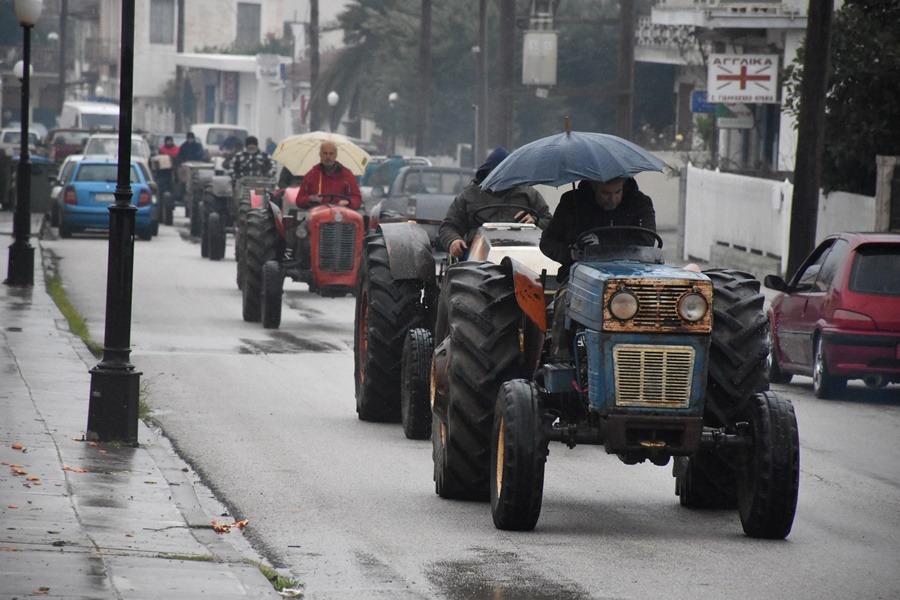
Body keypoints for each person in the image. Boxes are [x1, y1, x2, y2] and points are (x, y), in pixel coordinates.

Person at [540, 176, 657, 360]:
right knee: (565, 302)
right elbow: (547, 242)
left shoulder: (640, 203)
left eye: (617, 192)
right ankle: (562, 359)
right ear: (594, 186)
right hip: (579, 275)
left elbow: (647, 242)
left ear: (624, 186)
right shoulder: (572, 203)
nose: (612, 199)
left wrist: (604, 243)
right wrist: (570, 253)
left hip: (632, 274)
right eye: (606, 193)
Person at [439, 146, 551, 258]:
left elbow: (549, 222)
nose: (501, 176)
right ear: (487, 172)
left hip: (523, 255)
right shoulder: (468, 196)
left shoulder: (529, 194)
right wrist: (453, 240)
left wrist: (535, 221)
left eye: (506, 171)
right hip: (478, 257)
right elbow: (449, 226)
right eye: (496, 171)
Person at [295, 141, 362, 209]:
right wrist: (310, 199)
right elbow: (299, 200)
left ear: (336, 155)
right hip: (317, 214)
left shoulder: (347, 175)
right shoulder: (311, 175)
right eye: (325, 153)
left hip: (341, 215)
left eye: (331, 153)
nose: (328, 156)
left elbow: (357, 198)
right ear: (320, 155)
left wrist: (348, 202)